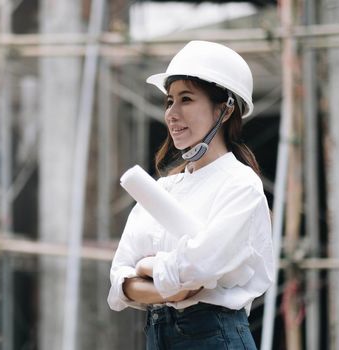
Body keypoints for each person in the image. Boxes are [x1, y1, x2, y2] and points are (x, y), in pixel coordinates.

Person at [107, 40, 275, 349]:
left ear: (225, 110)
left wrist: (147, 267)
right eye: (169, 101)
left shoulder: (240, 185)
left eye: (186, 99)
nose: (172, 113)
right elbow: (120, 279)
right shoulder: (163, 189)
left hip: (214, 336)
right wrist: (173, 286)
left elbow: (200, 267)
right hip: (158, 336)